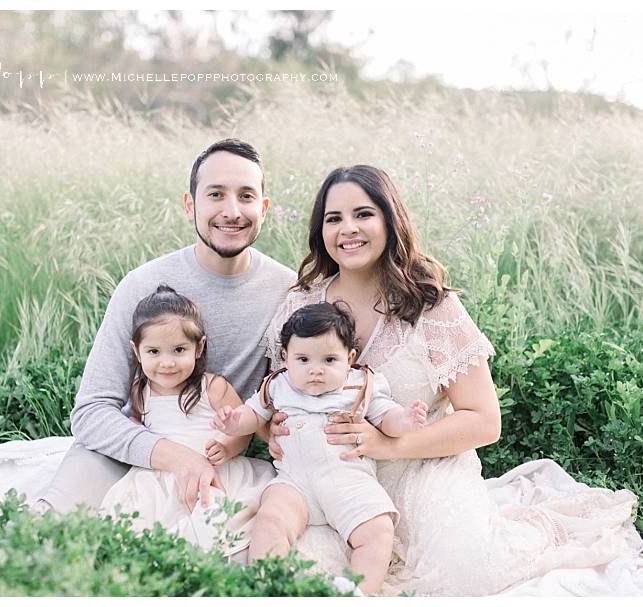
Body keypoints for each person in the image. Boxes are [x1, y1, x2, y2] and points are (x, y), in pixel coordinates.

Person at [253, 164, 643, 596]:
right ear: (320, 231)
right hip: (330, 478)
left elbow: (483, 420)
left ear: (390, 220)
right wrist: (270, 429)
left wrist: (388, 445)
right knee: (292, 567)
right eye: (334, 219)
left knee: (466, 576)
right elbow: (276, 392)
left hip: (422, 470)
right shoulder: (302, 302)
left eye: (363, 214)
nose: (348, 229)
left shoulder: (430, 306)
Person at [22, 137, 296, 513]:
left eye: (246, 196)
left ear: (263, 208)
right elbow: (92, 412)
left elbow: (284, 395)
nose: (232, 210)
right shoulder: (142, 285)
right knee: (50, 529)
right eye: (215, 194)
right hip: (129, 450)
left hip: (222, 462)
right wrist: (177, 458)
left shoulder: (287, 291)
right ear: (190, 205)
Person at [211, 301, 428, 594]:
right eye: (303, 360)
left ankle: (356, 590)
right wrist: (233, 422)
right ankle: (269, 581)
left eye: (328, 360)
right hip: (294, 483)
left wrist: (404, 420)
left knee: (378, 529)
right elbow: (253, 416)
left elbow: (385, 416)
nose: (315, 370)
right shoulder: (277, 385)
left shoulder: (360, 384)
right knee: (271, 518)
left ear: (349, 358)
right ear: (285, 358)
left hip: (348, 481)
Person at [98, 285, 274, 556]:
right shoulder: (140, 390)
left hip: (214, 473)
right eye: (154, 352)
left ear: (198, 347)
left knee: (211, 518)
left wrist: (227, 445)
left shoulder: (212, 387)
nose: (167, 363)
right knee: (134, 517)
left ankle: (199, 564)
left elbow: (244, 429)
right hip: (158, 476)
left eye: (179, 350)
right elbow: (137, 424)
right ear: (137, 351)